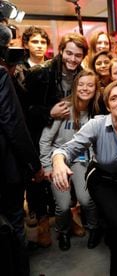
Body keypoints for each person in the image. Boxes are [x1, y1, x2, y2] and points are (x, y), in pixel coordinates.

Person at [52, 80, 117, 275]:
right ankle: (116, 267)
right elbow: (66, 150)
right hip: (102, 178)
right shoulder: (96, 124)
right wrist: (58, 162)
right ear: (108, 106)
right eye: (114, 98)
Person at [24, 32, 88, 247]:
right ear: (61, 50)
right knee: (40, 181)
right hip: (41, 133)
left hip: (67, 134)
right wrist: (48, 113)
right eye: (68, 53)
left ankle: (67, 219)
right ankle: (44, 225)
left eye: (78, 55)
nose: (72, 59)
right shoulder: (39, 73)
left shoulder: (82, 74)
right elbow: (25, 110)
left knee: (67, 183)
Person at [39, 70, 101, 251]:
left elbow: (93, 142)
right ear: (75, 87)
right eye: (81, 84)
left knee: (86, 198)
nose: (85, 88)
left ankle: (93, 228)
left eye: (90, 85)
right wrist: (47, 165)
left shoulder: (95, 110)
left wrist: (92, 164)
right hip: (58, 161)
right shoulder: (64, 108)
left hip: (81, 160)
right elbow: (45, 140)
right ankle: (63, 231)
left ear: (96, 89)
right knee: (64, 205)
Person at [0, 23, 43, 276]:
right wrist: (34, 164)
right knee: (14, 223)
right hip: (5, 169)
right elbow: (12, 123)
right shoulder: (1, 75)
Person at [13, 26, 50, 229]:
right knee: (35, 173)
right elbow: (22, 106)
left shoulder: (52, 67)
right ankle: (39, 213)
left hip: (52, 127)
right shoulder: (19, 69)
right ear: (26, 44)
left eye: (43, 42)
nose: (39, 45)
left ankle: (57, 212)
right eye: (35, 41)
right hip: (30, 129)